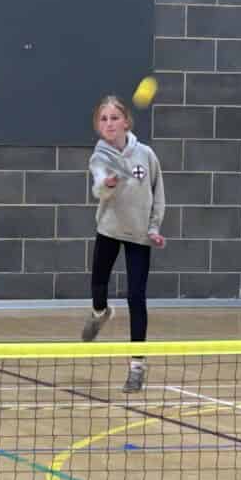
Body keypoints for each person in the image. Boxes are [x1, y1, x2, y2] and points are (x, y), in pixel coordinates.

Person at [80, 95, 165, 392]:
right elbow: (98, 187)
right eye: (103, 119)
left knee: (136, 298)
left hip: (139, 235)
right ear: (98, 126)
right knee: (98, 286)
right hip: (109, 229)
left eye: (114, 118)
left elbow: (158, 194)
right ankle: (100, 313)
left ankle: (137, 366)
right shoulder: (99, 157)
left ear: (126, 122)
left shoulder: (146, 155)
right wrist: (107, 184)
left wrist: (153, 227)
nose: (109, 123)